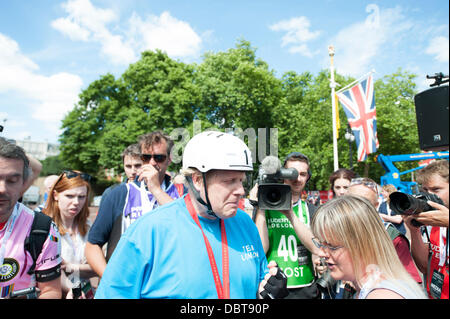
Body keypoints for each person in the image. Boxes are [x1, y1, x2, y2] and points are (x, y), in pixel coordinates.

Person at [95, 131, 288, 299]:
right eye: (230, 181)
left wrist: (267, 287)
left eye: (241, 180)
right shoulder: (149, 230)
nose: (240, 190)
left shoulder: (244, 222)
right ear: (197, 180)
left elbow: (258, 280)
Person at [85, 131, 184, 278]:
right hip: (127, 281)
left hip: (168, 281)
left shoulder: (182, 194)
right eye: (146, 157)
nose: (152, 162)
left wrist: (156, 189)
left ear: (169, 160)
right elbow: (92, 245)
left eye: (159, 157)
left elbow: (185, 227)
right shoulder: (119, 194)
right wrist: (109, 280)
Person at [311, 195, 427, 299]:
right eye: (321, 243)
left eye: (331, 246)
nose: (321, 253)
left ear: (363, 244)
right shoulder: (375, 286)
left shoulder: (381, 295)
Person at [254, 152, 321, 299]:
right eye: (292, 174)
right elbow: (260, 249)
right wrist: (260, 204)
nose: (297, 178)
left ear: (308, 177)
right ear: (282, 175)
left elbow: (317, 247)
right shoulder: (264, 209)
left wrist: (291, 214)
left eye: (302, 174)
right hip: (274, 286)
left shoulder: (311, 210)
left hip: (305, 287)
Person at [0, 140, 61, 299]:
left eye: (12, 181)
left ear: (23, 184)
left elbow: (51, 291)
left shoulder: (42, 227)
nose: (2, 189)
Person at [345, 177, 423, 285]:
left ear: (376, 205)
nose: (357, 207)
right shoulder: (331, 233)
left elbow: (411, 283)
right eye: (352, 201)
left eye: (365, 202)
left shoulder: (393, 238)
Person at [43, 170, 97, 299]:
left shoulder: (88, 226)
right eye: (69, 196)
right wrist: (75, 287)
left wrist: (70, 266)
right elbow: (53, 270)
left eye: (81, 197)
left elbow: (99, 266)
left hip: (85, 291)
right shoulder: (44, 226)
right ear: (55, 195)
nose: (76, 202)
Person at [404, 160, 448, 299]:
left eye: (436, 190)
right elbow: (424, 266)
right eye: (425, 191)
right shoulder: (432, 219)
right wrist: (414, 231)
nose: (429, 197)